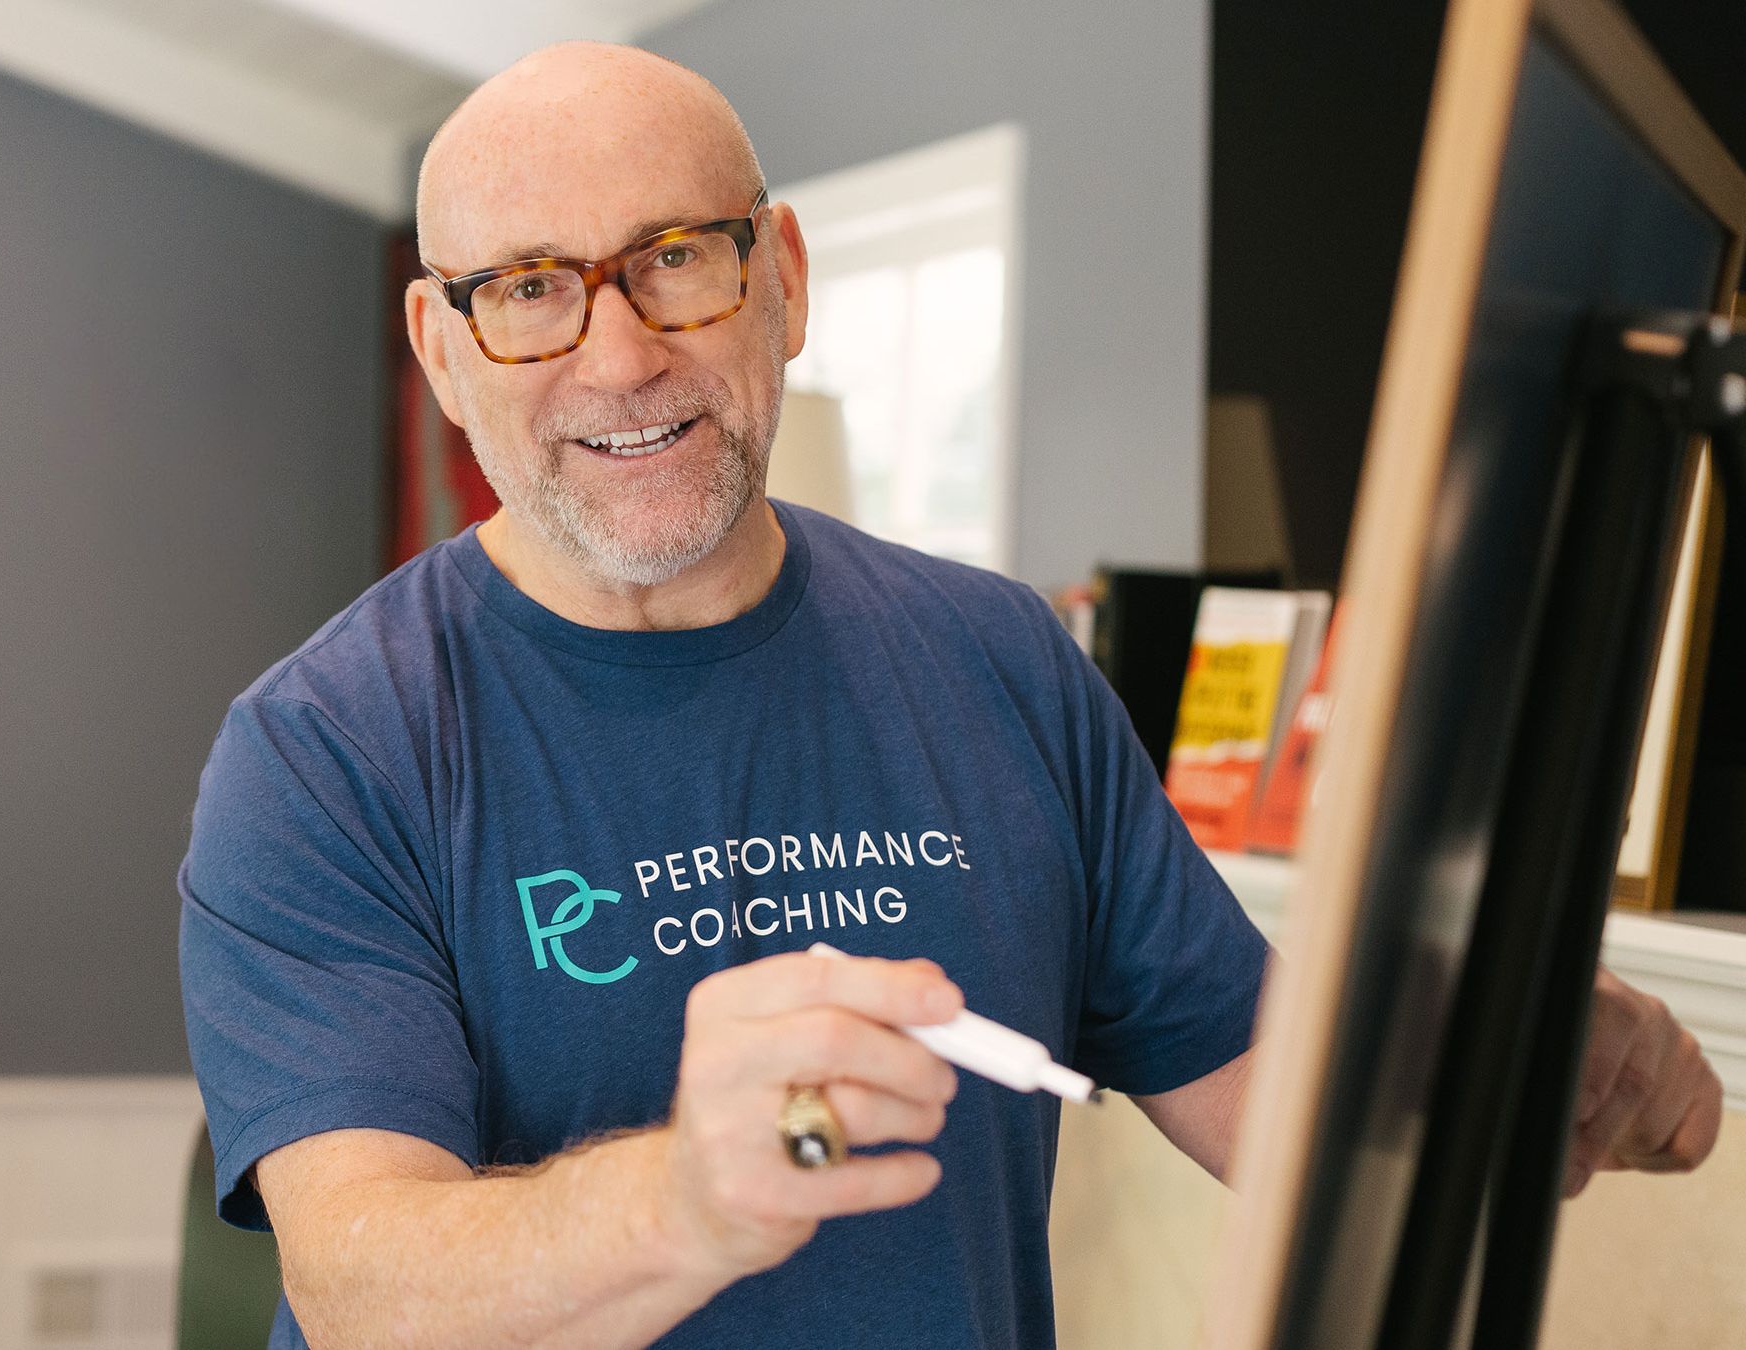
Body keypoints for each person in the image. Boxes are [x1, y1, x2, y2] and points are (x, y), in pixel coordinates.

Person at [177, 41, 1723, 1349]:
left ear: (783, 279)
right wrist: (685, 1201)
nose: (621, 355)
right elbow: (362, 1281)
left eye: (677, 259)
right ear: (443, 350)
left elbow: (1268, 1097)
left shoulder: (1002, 660)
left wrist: (1506, 1054)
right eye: (528, 289)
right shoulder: (324, 752)